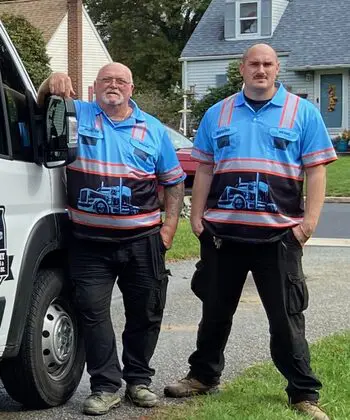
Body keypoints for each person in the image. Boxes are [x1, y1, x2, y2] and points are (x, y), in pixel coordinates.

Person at [164, 44, 336, 420]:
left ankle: (303, 393)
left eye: (268, 64)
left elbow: (317, 171)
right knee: (214, 312)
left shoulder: (302, 113)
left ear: (277, 70)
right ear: (241, 69)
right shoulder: (217, 113)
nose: (261, 70)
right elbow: (205, 168)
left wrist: (307, 225)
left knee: (286, 317)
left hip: (278, 238)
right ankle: (203, 376)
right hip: (223, 235)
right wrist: (197, 218)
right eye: (254, 64)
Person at [38, 63, 185, 415]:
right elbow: (39, 109)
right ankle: (105, 386)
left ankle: (139, 380)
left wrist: (168, 230)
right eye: (107, 80)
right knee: (91, 311)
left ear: (131, 88)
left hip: (143, 240)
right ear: (95, 87)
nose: (113, 85)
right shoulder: (76, 114)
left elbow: (173, 181)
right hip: (88, 242)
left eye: (121, 81)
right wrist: (49, 84)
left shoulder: (153, 129)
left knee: (146, 313)